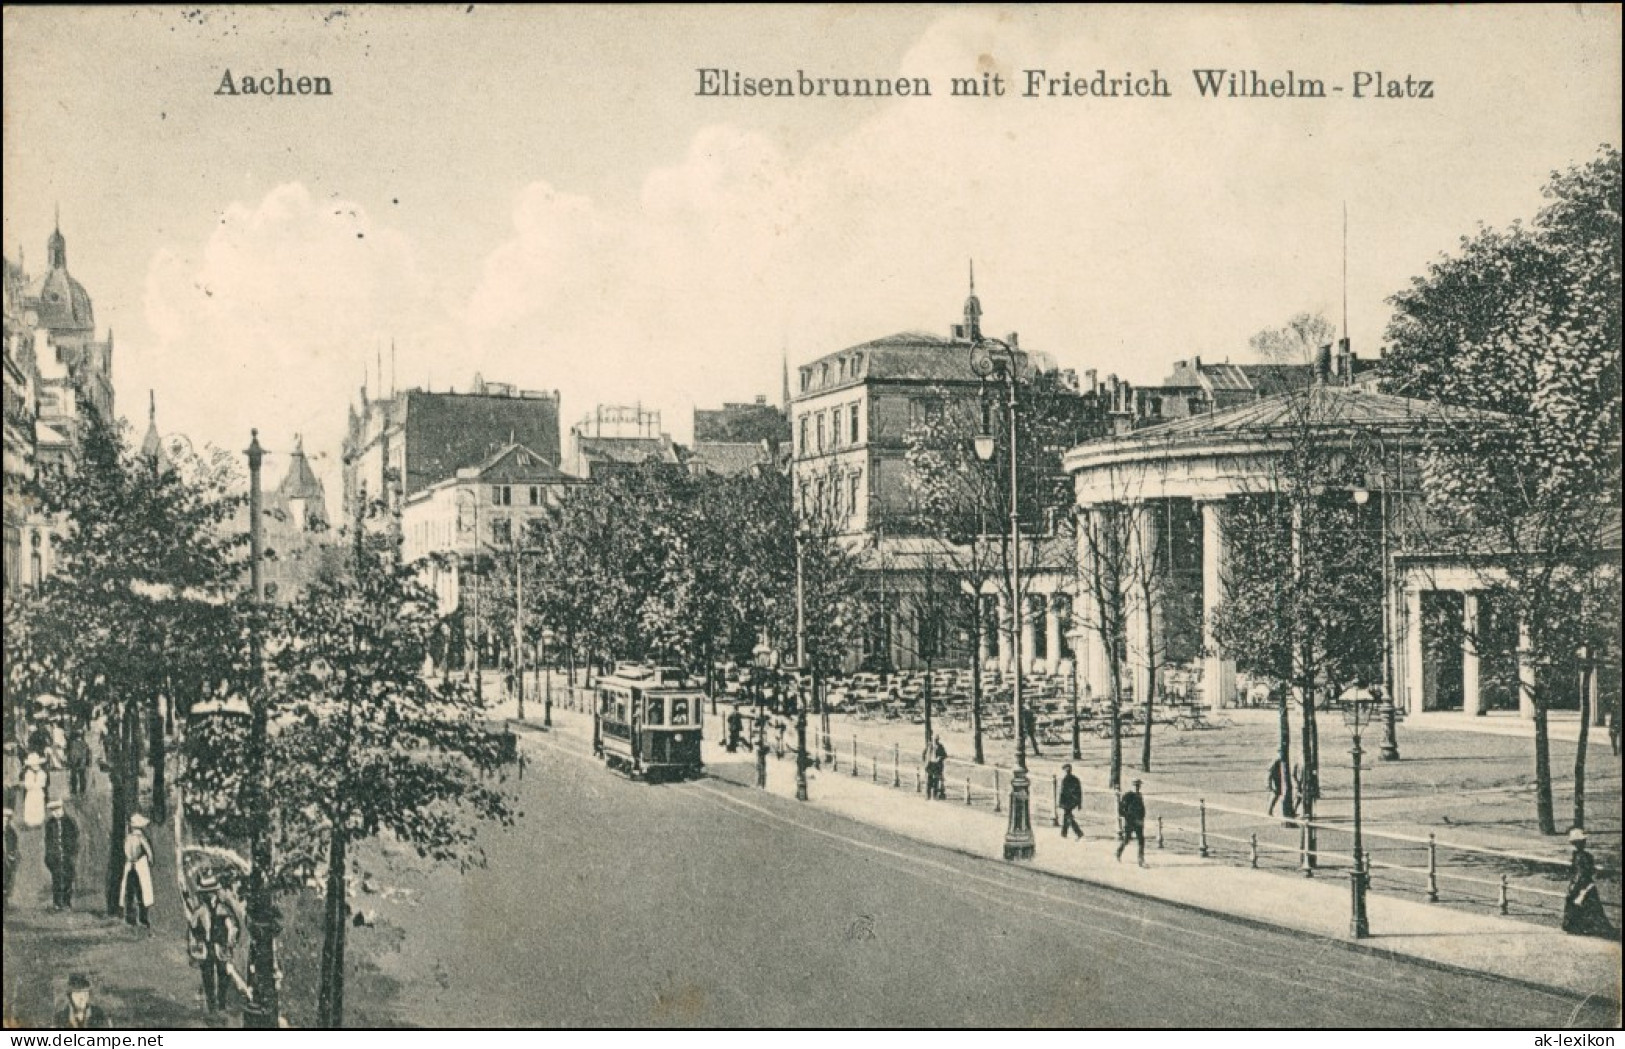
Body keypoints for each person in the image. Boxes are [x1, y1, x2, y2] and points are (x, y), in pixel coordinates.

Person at [190, 873, 240, 1012]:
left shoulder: (223, 909)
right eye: (205, 894)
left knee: (223, 975)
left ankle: (221, 1003)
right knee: (207, 975)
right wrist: (197, 941)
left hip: (220, 947)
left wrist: (230, 940)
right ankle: (211, 1004)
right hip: (206, 947)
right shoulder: (201, 911)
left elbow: (233, 927)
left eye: (210, 893)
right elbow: (193, 927)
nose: (208, 896)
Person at [1561, 828, 1616, 939]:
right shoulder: (1585, 856)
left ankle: (1579, 927)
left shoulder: (1579, 856)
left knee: (1578, 902)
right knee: (1590, 906)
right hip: (1587, 883)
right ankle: (1586, 927)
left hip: (1582, 883)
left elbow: (1580, 873)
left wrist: (1574, 886)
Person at [43, 799, 79, 910]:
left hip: (67, 855)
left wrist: (72, 851)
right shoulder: (50, 823)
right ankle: (57, 903)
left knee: (68, 878)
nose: (56, 813)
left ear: (62, 809)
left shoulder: (69, 822)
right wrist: (49, 854)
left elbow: (75, 837)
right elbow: (48, 840)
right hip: (55, 855)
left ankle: (67, 902)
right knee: (57, 879)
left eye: (58, 810)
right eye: (53, 811)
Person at [121, 813, 155, 928]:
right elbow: (149, 853)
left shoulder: (129, 838)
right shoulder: (141, 838)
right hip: (139, 866)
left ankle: (130, 918)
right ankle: (142, 918)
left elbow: (126, 852)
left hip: (130, 865)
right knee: (141, 893)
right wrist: (150, 860)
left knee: (130, 893)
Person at [1115, 779, 1147, 867]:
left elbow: (1142, 808)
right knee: (1127, 838)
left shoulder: (1139, 795)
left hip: (1138, 821)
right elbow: (1121, 810)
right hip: (1130, 821)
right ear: (1132, 786)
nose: (1137, 788)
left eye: (1138, 786)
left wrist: (1142, 818)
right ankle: (1118, 852)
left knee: (1141, 840)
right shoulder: (1128, 796)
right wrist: (1128, 817)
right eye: (1136, 786)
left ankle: (1141, 859)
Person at [20, 753, 47, 829]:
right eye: (32, 765)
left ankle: (38, 821)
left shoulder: (42, 773)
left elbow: (43, 783)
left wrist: (34, 785)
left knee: (39, 805)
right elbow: (27, 784)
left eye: (36, 765)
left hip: (38, 792)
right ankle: (30, 822)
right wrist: (29, 785)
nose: (34, 766)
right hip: (31, 793)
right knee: (30, 805)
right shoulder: (28, 773)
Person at [1059, 764, 1084, 840]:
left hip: (1068, 802)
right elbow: (1079, 792)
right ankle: (1064, 833)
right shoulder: (1075, 779)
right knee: (1066, 816)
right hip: (1073, 801)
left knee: (1068, 817)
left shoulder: (1065, 779)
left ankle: (1079, 833)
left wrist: (1061, 802)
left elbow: (1063, 792)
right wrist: (1079, 803)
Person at [3, 808, 19, 915]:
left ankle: (5, 902)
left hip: (7, 860)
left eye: (6, 820)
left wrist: (12, 854)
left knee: (7, 880)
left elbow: (14, 844)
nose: (4, 821)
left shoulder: (11, 832)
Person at [67, 732, 92, 797]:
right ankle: (82, 790)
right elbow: (88, 754)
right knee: (82, 777)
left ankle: (74, 790)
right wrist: (88, 762)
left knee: (74, 777)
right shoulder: (85, 744)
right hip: (82, 763)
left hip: (74, 763)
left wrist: (70, 762)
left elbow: (71, 754)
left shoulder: (73, 743)